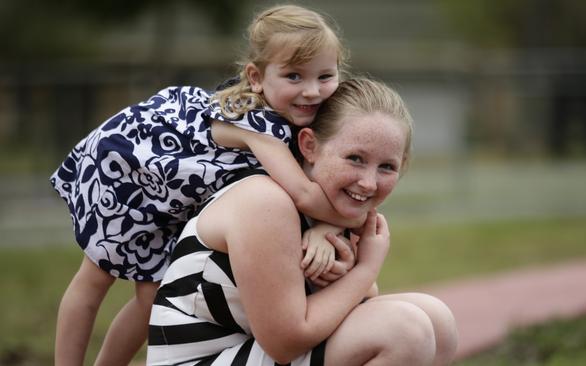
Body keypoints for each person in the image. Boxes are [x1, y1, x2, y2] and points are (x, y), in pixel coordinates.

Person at [50, 5, 358, 365]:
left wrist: (327, 227)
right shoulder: (253, 124)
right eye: (294, 76)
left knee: (152, 299)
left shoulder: (313, 116)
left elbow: (331, 185)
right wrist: (348, 217)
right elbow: (307, 194)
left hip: (178, 197)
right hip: (133, 169)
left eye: (325, 76)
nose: (312, 91)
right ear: (256, 78)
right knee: (93, 280)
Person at [147, 78, 458, 366]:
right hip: (203, 359)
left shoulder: (337, 214)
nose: (368, 183)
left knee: (437, 320)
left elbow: (360, 306)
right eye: (355, 158)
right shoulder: (266, 202)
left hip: (249, 351)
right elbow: (286, 341)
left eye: (387, 167)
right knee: (405, 331)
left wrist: (343, 274)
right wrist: (365, 269)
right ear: (309, 146)